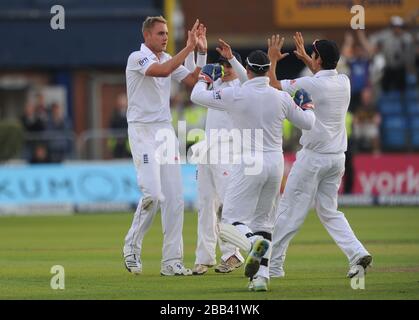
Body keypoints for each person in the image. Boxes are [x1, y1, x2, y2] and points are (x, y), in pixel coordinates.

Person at [191, 49, 315, 291]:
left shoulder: (235, 94)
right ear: (267, 70)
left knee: (229, 221)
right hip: (275, 164)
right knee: (263, 222)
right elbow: (308, 122)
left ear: (246, 70)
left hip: (248, 162)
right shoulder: (280, 97)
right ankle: (261, 278)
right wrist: (307, 104)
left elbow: (197, 96)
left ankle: (251, 245)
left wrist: (205, 78)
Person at [267, 33, 372, 279]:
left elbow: (272, 85)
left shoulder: (312, 85)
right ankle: (357, 252)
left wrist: (273, 60)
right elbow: (322, 77)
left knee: (289, 210)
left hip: (313, 158)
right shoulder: (344, 81)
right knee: (328, 211)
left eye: (312, 55)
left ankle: (272, 266)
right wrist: (308, 59)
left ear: (318, 59)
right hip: (337, 159)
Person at [123, 16, 207, 276]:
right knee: (152, 195)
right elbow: (162, 71)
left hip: (164, 131)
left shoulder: (168, 56)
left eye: (167, 33)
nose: (165, 37)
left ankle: (171, 262)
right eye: (160, 33)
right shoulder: (137, 58)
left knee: (174, 199)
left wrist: (201, 52)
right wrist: (188, 48)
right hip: (142, 132)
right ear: (147, 35)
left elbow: (193, 80)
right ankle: (131, 247)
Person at [187, 51, 246, 275]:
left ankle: (233, 254)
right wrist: (199, 51)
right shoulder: (215, 83)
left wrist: (231, 62)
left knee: (226, 205)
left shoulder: (241, 87)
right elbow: (193, 77)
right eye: (221, 64)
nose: (224, 68)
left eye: (228, 64)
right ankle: (204, 257)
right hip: (208, 148)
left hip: (229, 149)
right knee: (205, 204)